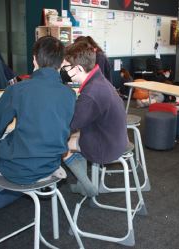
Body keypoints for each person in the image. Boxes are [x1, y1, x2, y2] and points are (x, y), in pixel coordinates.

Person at [0, 36, 76, 185]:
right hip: (51, 164)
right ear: (61, 63)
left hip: (20, 167)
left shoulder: (18, 89)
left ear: (34, 59)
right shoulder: (69, 94)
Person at [60, 41, 127, 197]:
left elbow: (70, 124)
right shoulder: (99, 80)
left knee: (61, 142)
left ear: (78, 69)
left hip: (105, 147)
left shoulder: (91, 93)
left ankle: (86, 185)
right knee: (75, 135)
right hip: (116, 139)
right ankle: (81, 183)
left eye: (66, 68)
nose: (64, 71)